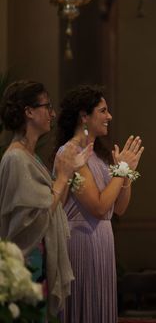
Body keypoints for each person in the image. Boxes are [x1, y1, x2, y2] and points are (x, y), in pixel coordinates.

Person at [0, 80, 92, 319]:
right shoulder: (16, 159)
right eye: (46, 106)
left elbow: (51, 206)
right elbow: (32, 219)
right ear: (28, 112)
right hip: (29, 263)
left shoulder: (31, 156)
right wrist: (62, 176)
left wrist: (69, 172)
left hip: (41, 258)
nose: (52, 113)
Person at [55, 85, 144, 322]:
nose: (109, 117)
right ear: (84, 116)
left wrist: (126, 174)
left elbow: (119, 208)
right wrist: (121, 169)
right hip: (82, 241)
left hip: (102, 240)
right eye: (103, 111)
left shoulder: (97, 154)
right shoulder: (71, 152)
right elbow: (99, 206)